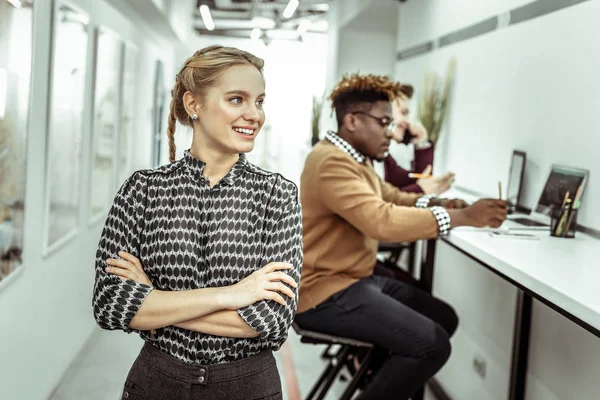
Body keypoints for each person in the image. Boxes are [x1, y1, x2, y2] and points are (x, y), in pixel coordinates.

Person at [92, 45, 303, 400]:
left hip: (249, 387)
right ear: (194, 105)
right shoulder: (143, 190)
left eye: (260, 101)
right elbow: (110, 303)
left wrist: (155, 304)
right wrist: (232, 295)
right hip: (157, 385)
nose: (254, 114)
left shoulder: (277, 195)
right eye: (237, 99)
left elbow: (271, 320)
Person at [295, 73, 506, 400]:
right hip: (324, 292)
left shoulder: (355, 159)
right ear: (352, 120)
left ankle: (375, 381)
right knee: (432, 345)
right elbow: (381, 221)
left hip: (352, 278)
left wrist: (438, 203)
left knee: (441, 318)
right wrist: (462, 217)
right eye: (384, 122)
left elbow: (391, 196)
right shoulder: (330, 162)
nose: (391, 133)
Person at [373, 84, 455, 195]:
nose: (408, 122)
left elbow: (417, 180)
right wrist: (420, 189)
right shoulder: (367, 156)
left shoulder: (385, 156)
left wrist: (421, 141)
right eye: (404, 112)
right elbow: (381, 204)